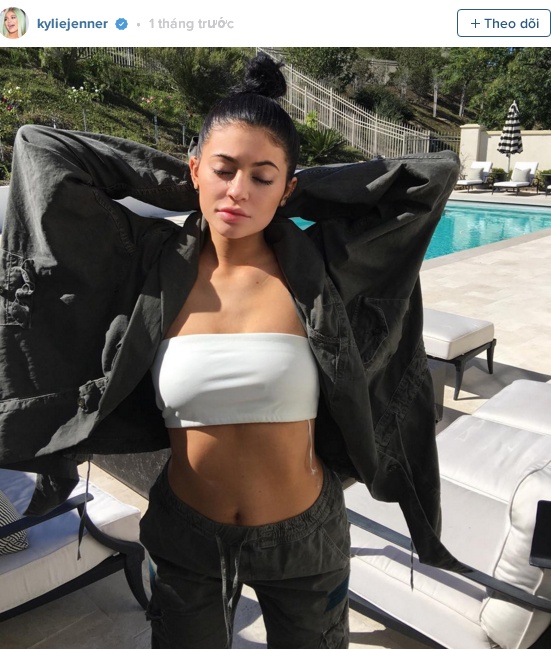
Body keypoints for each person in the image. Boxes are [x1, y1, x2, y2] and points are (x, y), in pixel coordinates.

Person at [0, 54, 460, 648]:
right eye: (223, 169)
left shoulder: (323, 270)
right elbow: (39, 149)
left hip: (305, 540)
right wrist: (191, 181)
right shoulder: (149, 268)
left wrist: (291, 192)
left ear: (288, 187)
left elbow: (430, 178)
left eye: (263, 177)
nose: (238, 191)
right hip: (188, 538)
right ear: (196, 167)